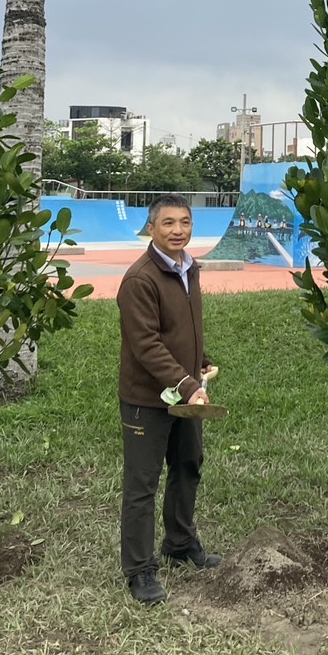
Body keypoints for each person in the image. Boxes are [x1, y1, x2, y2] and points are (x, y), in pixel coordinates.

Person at [117, 193, 222, 605]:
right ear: (151, 228)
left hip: (184, 392)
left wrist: (200, 360)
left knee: (188, 465)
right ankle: (139, 569)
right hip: (148, 399)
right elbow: (146, 344)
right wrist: (188, 384)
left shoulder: (188, 268)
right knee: (142, 485)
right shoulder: (140, 279)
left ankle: (179, 544)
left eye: (185, 222)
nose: (178, 230)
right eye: (168, 223)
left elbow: (181, 328)